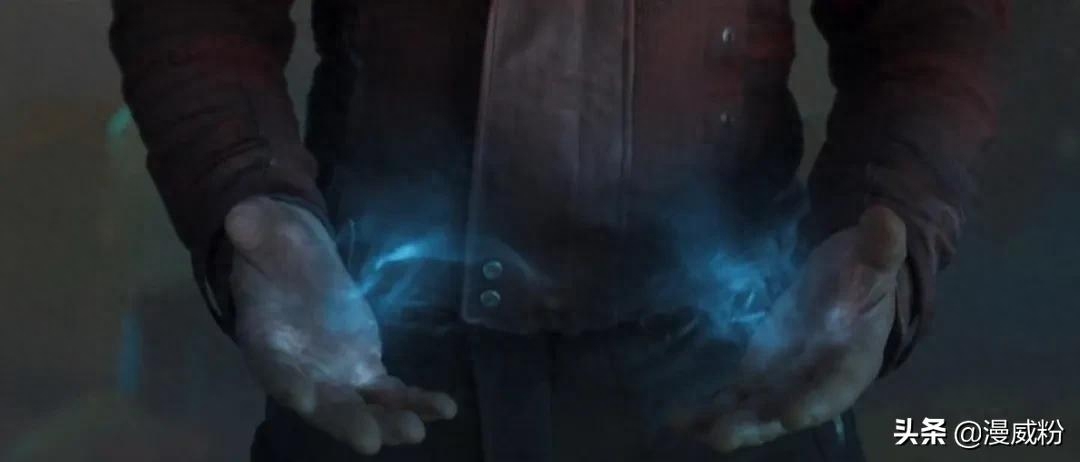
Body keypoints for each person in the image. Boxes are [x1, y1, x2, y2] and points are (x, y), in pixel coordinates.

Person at [109, 0, 1009, 460]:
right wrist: (247, 192)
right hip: (371, 364)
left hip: (732, 378)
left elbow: (932, 22)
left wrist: (891, 203)